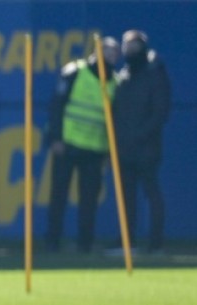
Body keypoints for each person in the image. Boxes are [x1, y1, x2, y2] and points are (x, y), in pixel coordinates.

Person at [44, 38, 120, 253]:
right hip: (67, 144)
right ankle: (52, 241)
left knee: (89, 200)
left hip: (95, 149)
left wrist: (107, 150)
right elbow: (56, 106)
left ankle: (85, 243)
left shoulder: (114, 81)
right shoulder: (75, 71)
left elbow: (112, 119)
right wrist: (55, 138)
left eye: (115, 54)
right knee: (58, 196)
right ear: (97, 52)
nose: (112, 56)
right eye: (108, 52)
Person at [112, 30, 171, 254]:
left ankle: (156, 244)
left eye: (134, 46)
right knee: (126, 197)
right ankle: (127, 242)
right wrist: (120, 140)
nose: (130, 51)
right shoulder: (124, 74)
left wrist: (139, 136)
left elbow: (160, 112)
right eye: (126, 46)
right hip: (124, 148)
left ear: (143, 47)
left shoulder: (155, 72)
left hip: (146, 147)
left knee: (151, 193)